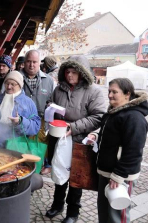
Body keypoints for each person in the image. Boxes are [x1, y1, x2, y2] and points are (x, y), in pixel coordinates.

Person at [45, 55, 106, 223]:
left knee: (76, 177)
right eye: (67, 72)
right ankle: (57, 205)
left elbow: (99, 116)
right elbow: (51, 105)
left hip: (79, 140)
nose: (69, 75)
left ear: (83, 73)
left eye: (74, 72)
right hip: (59, 138)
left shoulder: (93, 91)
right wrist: (50, 109)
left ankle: (73, 212)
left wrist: (73, 127)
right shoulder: (59, 89)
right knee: (59, 172)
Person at [96, 78, 148, 223]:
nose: (110, 95)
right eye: (109, 91)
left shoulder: (134, 117)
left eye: (114, 92)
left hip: (120, 176)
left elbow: (134, 151)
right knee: (104, 213)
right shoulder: (114, 112)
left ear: (127, 94)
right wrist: (95, 135)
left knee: (117, 216)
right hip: (107, 172)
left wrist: (119, 175)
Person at [0, 70, 41, 148]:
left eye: (13, 84)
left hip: (13, 146)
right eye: (7, 83)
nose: (9, 87)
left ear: (20, 85)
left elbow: (35, 127)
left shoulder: (28, 103)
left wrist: (20, 122)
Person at [20, 50, 54, 174]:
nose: (31, 65)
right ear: (24, 62)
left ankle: (35, 170)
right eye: (29, 61)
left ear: (39, 63)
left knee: (37, 147)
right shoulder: (16, 77)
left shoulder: (49, 80)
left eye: (34, 62)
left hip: (40, 121)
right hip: (20, 121)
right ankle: (21, 172)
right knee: (21, 148)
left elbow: (52, 99)